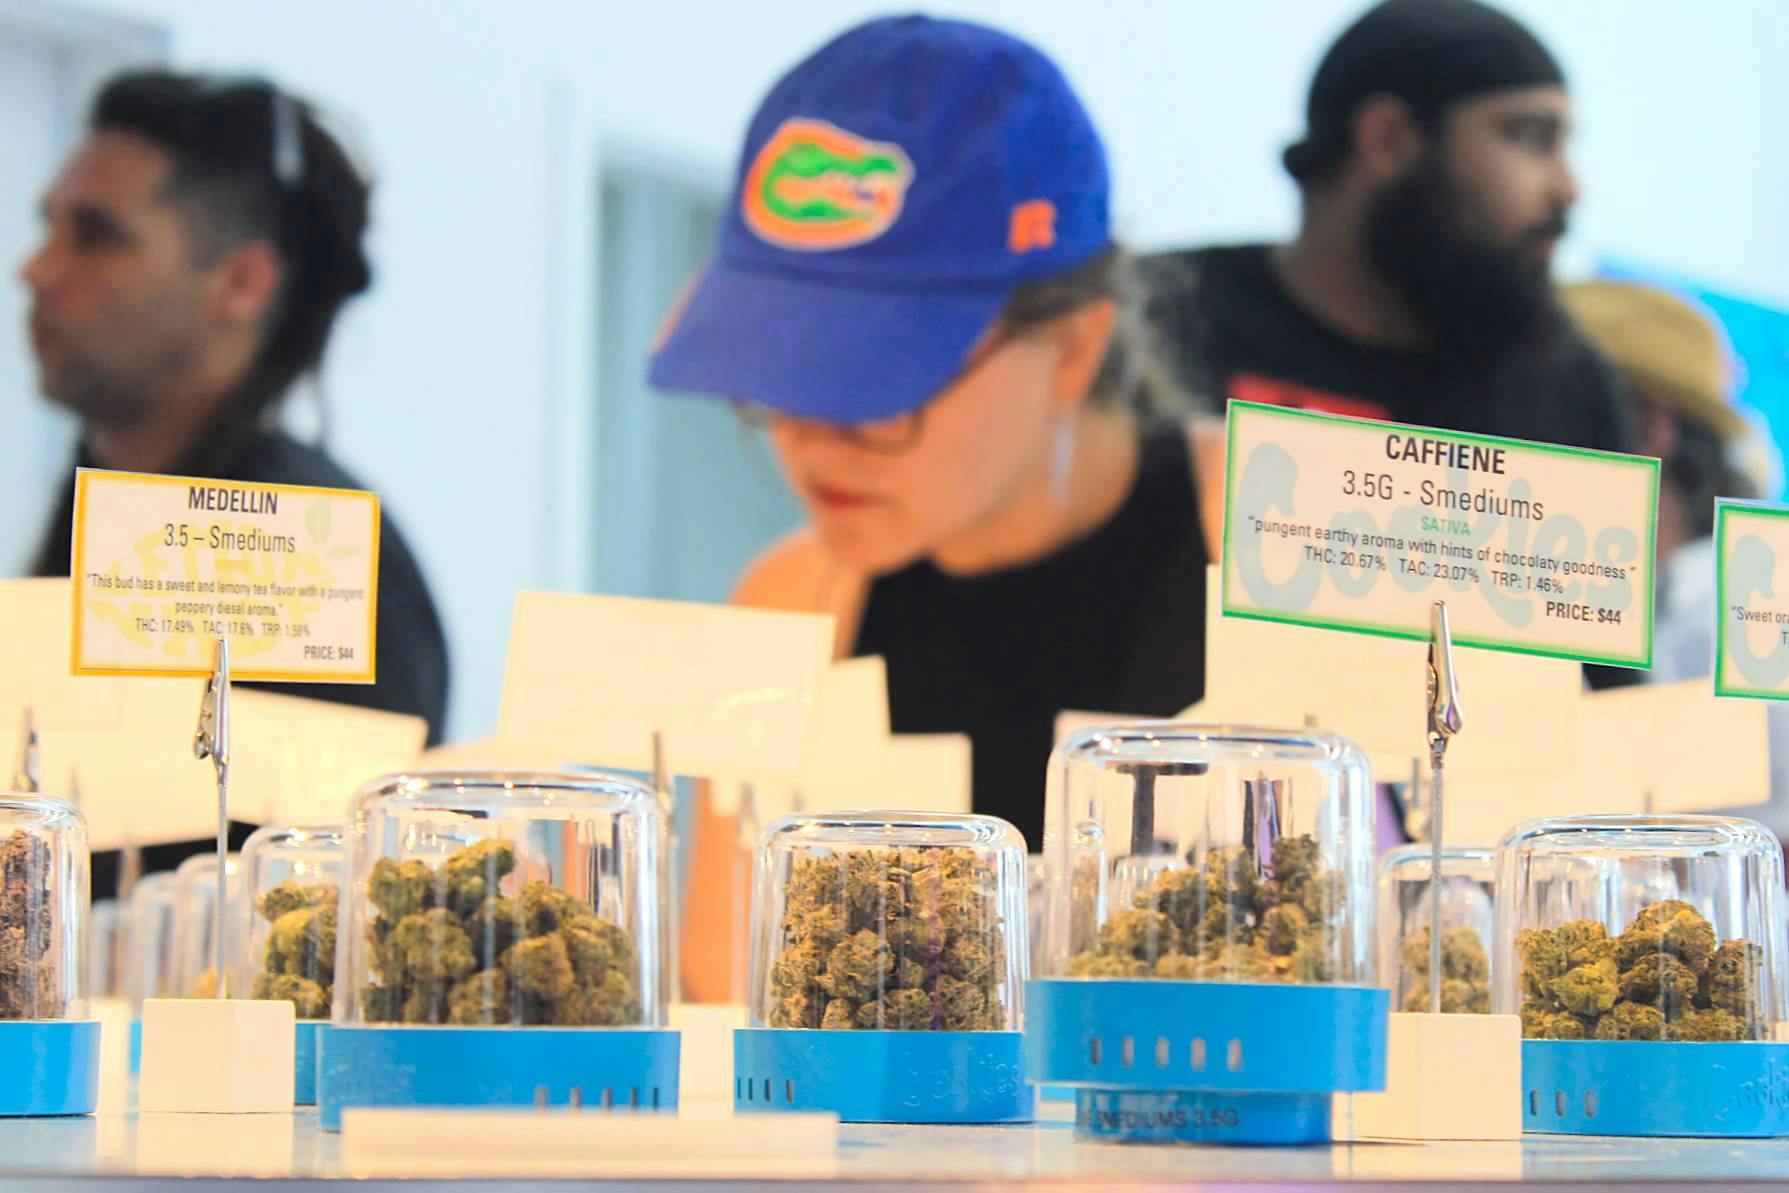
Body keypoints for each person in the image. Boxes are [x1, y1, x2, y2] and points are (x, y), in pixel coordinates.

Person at [650, 17, 1211, 856]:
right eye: (778, 380)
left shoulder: (1277, 536)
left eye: (877, 389)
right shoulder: (787, 603)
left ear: (1069, 347)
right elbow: (728, 978)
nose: (810, 443)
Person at [19, 72, 450, 888]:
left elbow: (343, 919)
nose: (36, 269)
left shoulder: (321, 561)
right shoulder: (91, 507)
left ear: (242, 282)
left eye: (96, 236)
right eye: (49, 228)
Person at [1145, 0, 1633, 454]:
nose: (1567, 188)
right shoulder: (1152, 323)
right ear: (1389, 139)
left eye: (1565, 145)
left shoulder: (1565, 388)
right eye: (1529, 137)